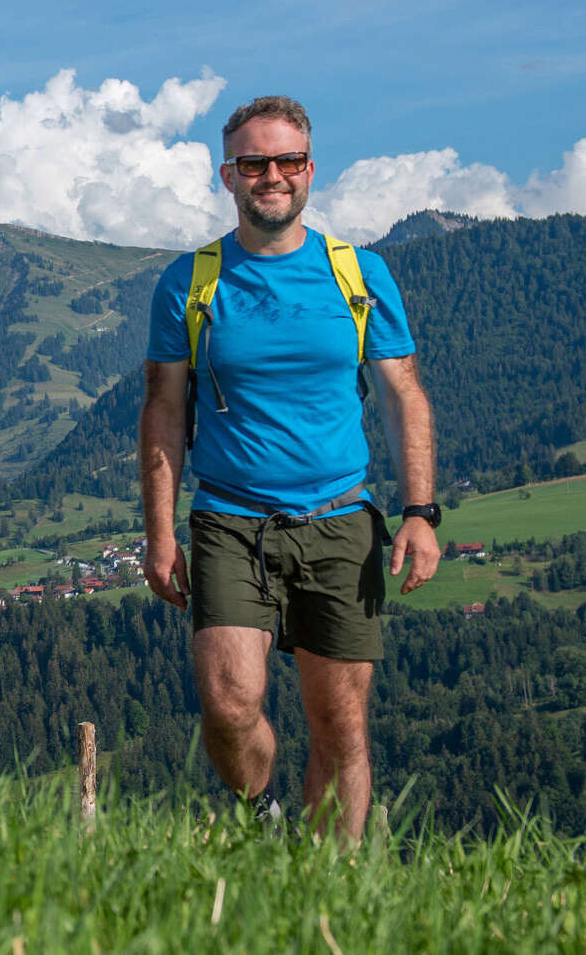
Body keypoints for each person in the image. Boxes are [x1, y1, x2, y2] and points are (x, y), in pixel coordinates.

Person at [139, 95, 440, 842]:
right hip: (230, 518)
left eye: (286, 161)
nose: (270, 175)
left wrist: (420, 512)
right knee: (229, 705)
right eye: (253, 163)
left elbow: (406, 396)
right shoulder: (190, 282)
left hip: (341, 520)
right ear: (227, 175)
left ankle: (330, 890)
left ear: (310, 170)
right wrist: (159, 532)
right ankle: (263, 816)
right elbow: (164, 410)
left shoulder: (357, 274)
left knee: (340, 723)